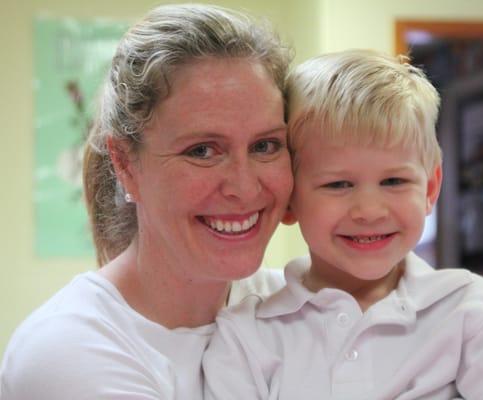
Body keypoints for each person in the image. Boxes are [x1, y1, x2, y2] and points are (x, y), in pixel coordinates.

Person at [202, 49, 483, 399]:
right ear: (288, 199)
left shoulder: (476, 313)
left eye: (394, 181)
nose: (369, 210)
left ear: (430, 188)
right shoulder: (246, 336)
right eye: (338, 184)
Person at [0, 4, 293, 399]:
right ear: (124, 163)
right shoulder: (68, 350)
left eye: (265, 145)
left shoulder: (297, 306)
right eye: (202, 151)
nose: (243, 186)